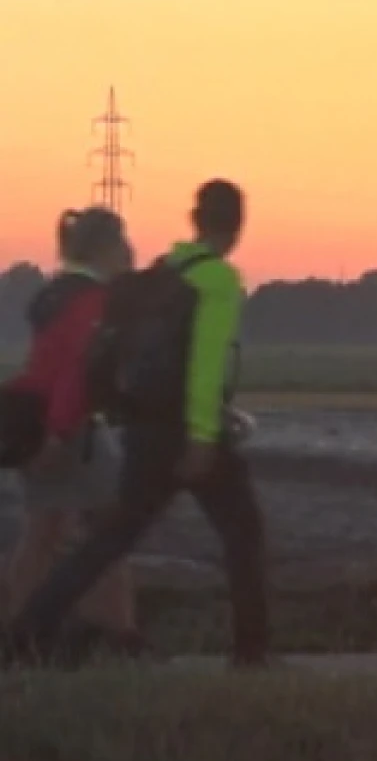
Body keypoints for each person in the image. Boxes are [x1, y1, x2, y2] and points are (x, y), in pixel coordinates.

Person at [4, 180, 270, 667]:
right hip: (184, 431)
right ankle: (250, 652)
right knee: (244, 534)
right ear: (236, 225)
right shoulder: (216, 279)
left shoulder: (163, 271)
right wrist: (205, 434)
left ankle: (30, 631)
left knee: (103, 538)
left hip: (141, 429)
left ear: (195, 218)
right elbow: (206, 364)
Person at [2, 208, 145, 656]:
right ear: (107, 248)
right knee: (109, 529)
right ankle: (118, 634)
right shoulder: (92, 301)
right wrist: (60, 433)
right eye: (124, 242)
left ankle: (19, 635)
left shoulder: (54, 294)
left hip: (33, 417)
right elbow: (78, 374)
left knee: (43, 532)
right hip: (67, 428)